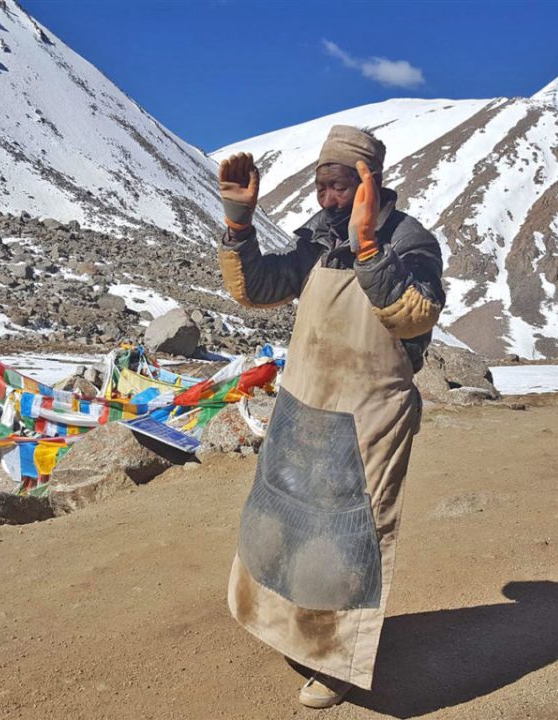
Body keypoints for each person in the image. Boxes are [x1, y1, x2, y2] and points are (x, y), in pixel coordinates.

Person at [217, 126, 445, 709]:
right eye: (322, 186)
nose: (328, 199)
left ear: (369, 181)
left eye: (340, 186)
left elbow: (414, 317)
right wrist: (239, 226)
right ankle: (291, 632)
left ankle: (337, 663)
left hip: (368, 411)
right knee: (290, 528)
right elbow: (261, 289)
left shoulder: (411, 241)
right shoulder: (319, 237)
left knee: (347, 543)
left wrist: (369, 246)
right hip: (307, 401)